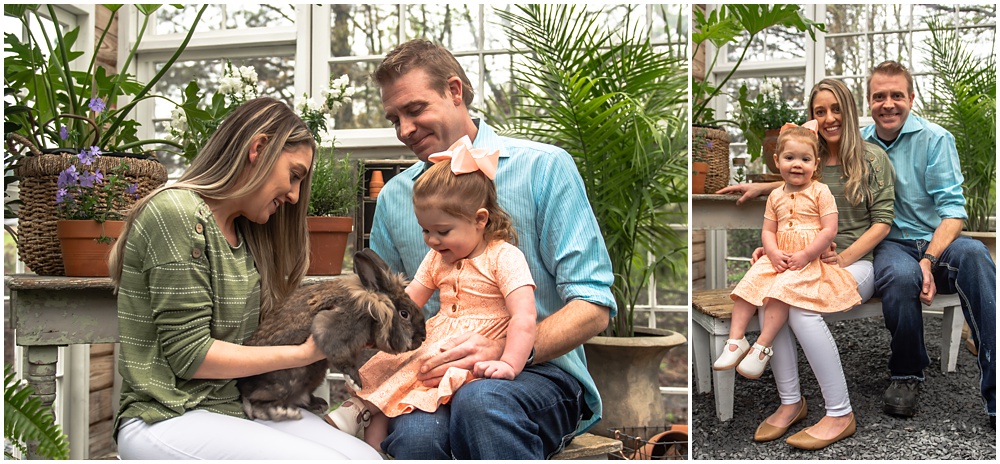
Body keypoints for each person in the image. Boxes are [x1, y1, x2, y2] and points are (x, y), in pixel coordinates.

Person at [367, 39, 617, 459]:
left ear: (454, 91)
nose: (404, 129)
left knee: (481, 402)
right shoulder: (394, 198)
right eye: (394, 118)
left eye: (414, 110)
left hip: (540, 374)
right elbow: (386, 313)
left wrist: (506, 348)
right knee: (414, 440)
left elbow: (594, 304)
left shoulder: (545, 167)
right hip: (431, 381)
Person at [108, 97, 381, 460]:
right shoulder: (176, 214)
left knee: (366, 458)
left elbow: (259, 338)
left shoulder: (244, 235)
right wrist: (303, 353)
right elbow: (190, 356)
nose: (295, 195)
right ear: (259, 148)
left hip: (232, 408)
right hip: (165, 415)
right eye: (294, 175)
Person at [718, 78, 896, 449]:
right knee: (771, 294)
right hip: (804, 259)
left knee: (799, 309)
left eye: (835, 109)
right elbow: (792, 194)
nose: (829, 118)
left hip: (856, 262)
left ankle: (839, 412)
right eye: (820, 111)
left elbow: (883, 221)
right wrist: (771, 247)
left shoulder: (872, 158)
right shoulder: (809, 159)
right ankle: (790, 403)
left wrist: (842, 257)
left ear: (848, 110)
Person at [326, 145, 537, 452]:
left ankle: (361, 409)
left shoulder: (504, 257)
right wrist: (379, 329)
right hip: (440, 337)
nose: (432, 240)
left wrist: (509, 364)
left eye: (443, 230)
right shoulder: (438, 258)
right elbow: (409, 301)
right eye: (425, 230)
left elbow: (524, 316)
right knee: (397, 357)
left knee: (417, 366)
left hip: (472, 348)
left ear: (480, 220)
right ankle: (369, 435)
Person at [860, 60, 995, 425]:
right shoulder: (857, 140)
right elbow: (808, 147)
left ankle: (996, 386)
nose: (888, 103)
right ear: (868, 101)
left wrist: (929, 259)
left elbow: (953, 213)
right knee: (901, 277)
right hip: (892, 242)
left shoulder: (936, 139)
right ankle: (906, 374)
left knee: (977, 254)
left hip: (940, 240)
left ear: (911, 98)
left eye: (896, 95)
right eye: (879, 96)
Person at [714, 124, 861, 382]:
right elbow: (768, 231)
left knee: (780, 292)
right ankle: (736, 342)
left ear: (816, 164)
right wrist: (770, 252)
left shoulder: (820, 191)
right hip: (778, 256)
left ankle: (762, 347)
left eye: (805, 159)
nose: (797, 165)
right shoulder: (775, 196)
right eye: (789, 158)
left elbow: (829, 230)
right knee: (747, 287)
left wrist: (806, 254)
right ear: (776, 160)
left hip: (807, 260)